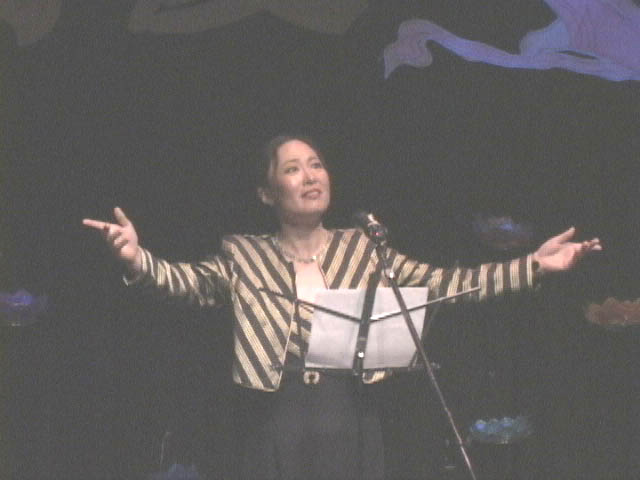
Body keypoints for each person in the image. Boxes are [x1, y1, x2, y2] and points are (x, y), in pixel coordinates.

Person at [83, 134, 601, 480]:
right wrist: (135, 258)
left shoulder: (363, 248)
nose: (310, 176)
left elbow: (449, 284)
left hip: (351, 414)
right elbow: (185, 283)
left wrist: (534, 265)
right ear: (266, 192)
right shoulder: (243, 253)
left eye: (317, 165)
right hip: (276, 417)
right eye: (292, 169)